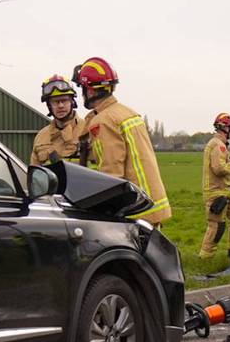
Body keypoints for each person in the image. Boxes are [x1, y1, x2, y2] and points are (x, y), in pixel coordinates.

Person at [72, 57, 171, 224]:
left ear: (91, 91)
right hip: (151, 203)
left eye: (83, 88)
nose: (82, 94)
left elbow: (111, 172)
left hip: (135, 209)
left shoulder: (103, 121)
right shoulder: (127, 113)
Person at [199, 113, 230, 259]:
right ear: (224, 128)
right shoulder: (218, 145)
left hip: (226, 193)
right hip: (216, 193)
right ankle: (205, 258)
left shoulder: (221, 145)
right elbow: (219, 169)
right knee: (217, 226)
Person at [30, 75, 87, 166]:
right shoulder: (41, 137)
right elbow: (35, 171)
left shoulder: (88, 130)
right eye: (55, 102)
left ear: (72, 102)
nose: (60, 106)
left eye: (64, 100)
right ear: (49, 106)